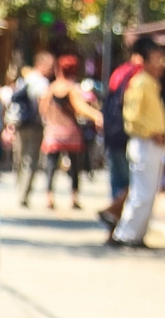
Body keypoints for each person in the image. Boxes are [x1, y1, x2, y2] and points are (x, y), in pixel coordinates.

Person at [112, 36, 165, 247]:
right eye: (156, 58)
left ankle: (136, 234)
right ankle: (125, 234)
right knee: (141, 193)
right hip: (144, 142)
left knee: (148, 192)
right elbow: (133, 117)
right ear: (144, 60)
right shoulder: (140, 83)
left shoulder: (151, 83)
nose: (161, 64)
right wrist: (151, 132)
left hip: (152, 144)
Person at [35, 54, 101, 211]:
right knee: (74, 167)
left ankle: (49, 197)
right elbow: (80, 108)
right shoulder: (72, 89)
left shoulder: (50, 89)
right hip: (71, 132)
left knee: (51, 166)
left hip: (53, 133)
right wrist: (97, 116)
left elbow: (42, 109)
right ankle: (74, 197)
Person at [98, 41, 148, 232]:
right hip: (126, 134)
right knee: (131, 184)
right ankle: (115, 217)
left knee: (117, 182)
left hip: (112, 134)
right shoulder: (137, 76)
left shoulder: (119, 72)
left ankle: (113, 225)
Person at [10, 51, 54, 207]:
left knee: (20, 159)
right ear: (41, 64)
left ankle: (18, 190)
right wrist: (47, 122)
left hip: (20, 124)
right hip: (34, 126)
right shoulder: (42, 82)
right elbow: (43, 104)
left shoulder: (25, 78)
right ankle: (23, 194)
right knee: (30, 160)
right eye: (50, 65)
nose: (52, 69)